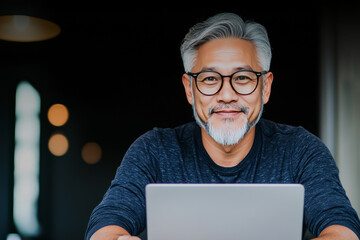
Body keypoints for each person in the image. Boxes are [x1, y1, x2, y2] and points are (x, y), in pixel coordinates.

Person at [85, 12, 360, 240]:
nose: (226, 94)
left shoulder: (301, 150)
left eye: (242, 78)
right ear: (189, 90)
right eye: (209, 79)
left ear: (265, 87)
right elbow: (105, 228)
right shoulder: (153, 151)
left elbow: (343, 231)